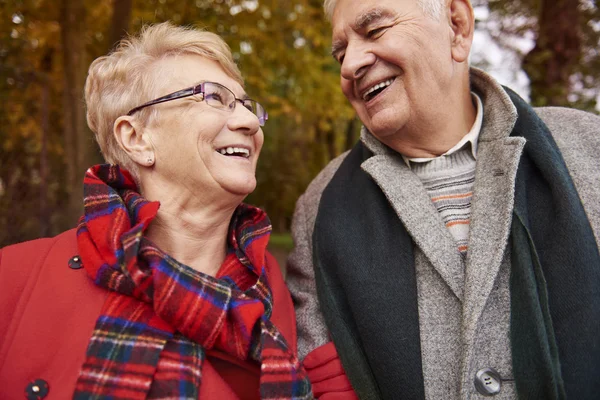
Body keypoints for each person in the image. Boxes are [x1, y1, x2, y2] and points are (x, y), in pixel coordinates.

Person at [287, 0, 600, 399]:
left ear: (457, 26)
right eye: (340, 51)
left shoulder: (589, 147)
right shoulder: (320, 204)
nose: (350, 65)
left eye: (374, 30)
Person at [0, 22, 315, 400]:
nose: (248, 122)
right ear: (136, 138)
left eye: (248, 106)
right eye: (214, 98)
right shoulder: (14, 279)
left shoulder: (283, 296)